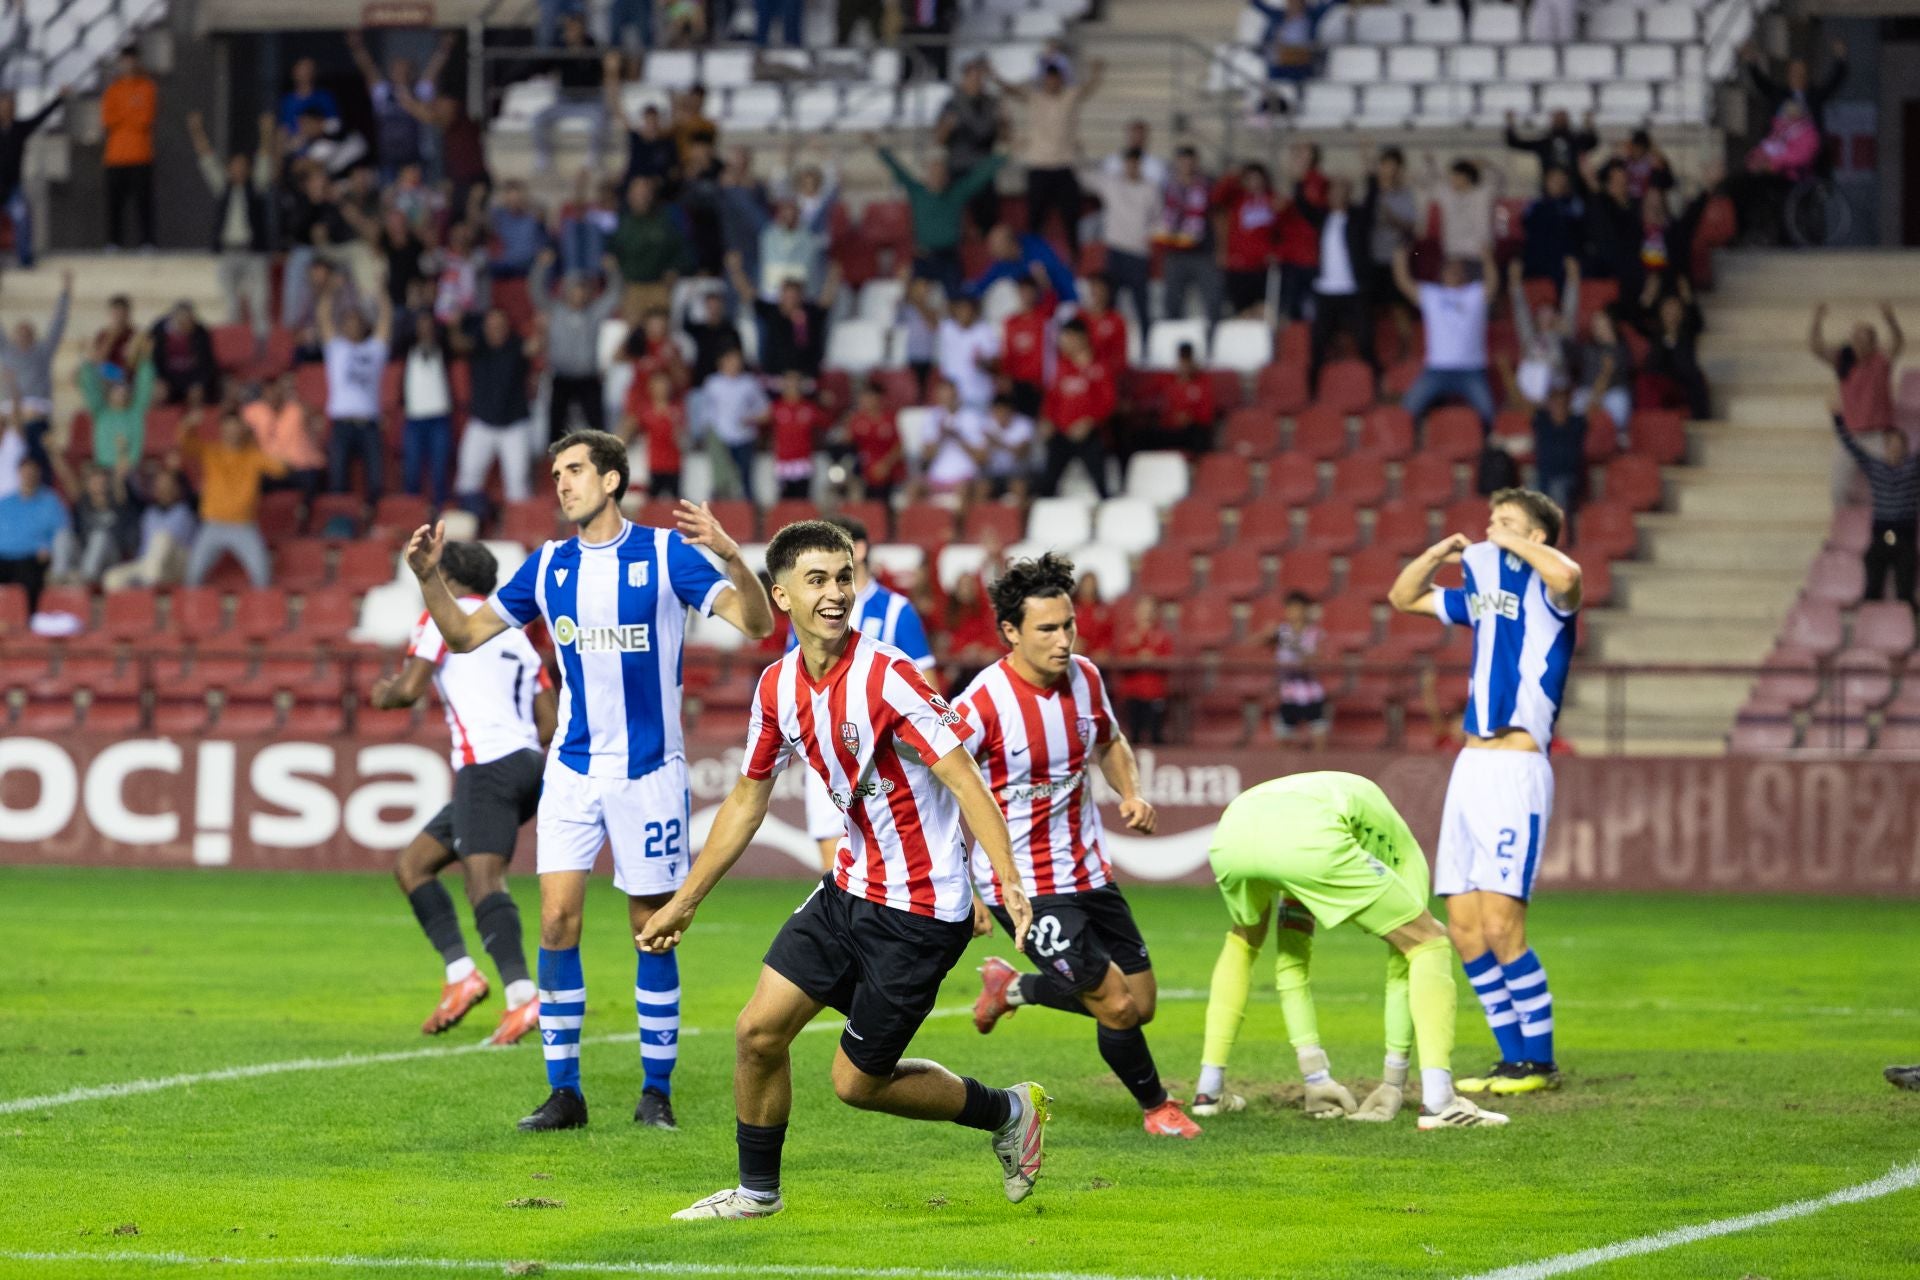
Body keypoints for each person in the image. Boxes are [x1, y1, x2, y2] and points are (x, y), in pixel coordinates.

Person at [635, 519, 1049, 1220]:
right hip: (847, 889)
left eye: (843, 577)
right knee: (757, 1033)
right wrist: (685, 901)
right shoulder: (776, 688)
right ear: (783, 595)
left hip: (920, 910)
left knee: (858, 1084)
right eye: (817, 580)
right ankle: (757, 1194)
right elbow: (745, 800)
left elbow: (963, 778)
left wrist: (1006, 882)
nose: (835, 593)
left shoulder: (888, 675)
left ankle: (1010, 1111)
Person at [404, 435, 774, 1133]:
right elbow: (462, 634)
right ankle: (564, 1093)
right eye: (555, 474)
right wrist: (429, 577)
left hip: (649, 773)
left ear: (612, 479)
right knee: (555, 922)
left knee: (652, 931)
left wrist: (728, 553)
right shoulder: (546, 566)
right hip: (572, 770)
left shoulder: (667, 555)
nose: (562, 484)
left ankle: (655, 1092)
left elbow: (757, 624)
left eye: (574, 471)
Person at [962, 554, 1194, 1138]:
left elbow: (1110, 742)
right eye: (1047, 629)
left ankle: (1012, 987)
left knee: (1141, 1004)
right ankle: (1157, 1107)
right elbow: (942, 793)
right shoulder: (981, 703)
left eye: (1067, 626)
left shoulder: (1087, 677)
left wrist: (1131, 793)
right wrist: (970, 888)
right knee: (1114, 1006)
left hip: (1089, 869)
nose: (1063, 640)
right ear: (1011, 632)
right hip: (1025, 885)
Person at [1388, 490, 1583, 1096]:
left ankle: (1541, 1061)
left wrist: (1512, 543)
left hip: (1517, 771)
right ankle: (1510, 1058)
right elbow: (1403, 597)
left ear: (1537, 536)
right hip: (1470, 766)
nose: (1492, 530)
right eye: (1492, 521)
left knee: (1503, 924)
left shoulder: (1554, 596)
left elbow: (1571, 574)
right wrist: (1439, 552)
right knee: (1465, 924)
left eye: (1508, 523)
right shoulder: (1482, 598)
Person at [1198, 770, 1510, 1129]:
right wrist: (1393, 1081)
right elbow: (1403, 969)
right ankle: (1440, 1102)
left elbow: (1292, 962)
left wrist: (1316, 1077)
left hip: (1232, 832)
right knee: (1429, 941)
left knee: (1244, 941)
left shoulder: (1319, 838)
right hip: (1308, 836)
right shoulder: (1405, 859)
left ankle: (1209, 1091)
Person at [373, 540, 556, 1047]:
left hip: (487, 766)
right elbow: (550, 722)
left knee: (483, 881)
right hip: (527, 766)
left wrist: (383, 693)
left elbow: (409, 689)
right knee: (413, 866)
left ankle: (522, 997)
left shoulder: (442, 617)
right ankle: (461, 975)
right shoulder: (515, 634)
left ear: (446, 579)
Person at [775, 514, 936, 871]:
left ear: (858, 549)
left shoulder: (895, 610)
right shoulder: (807, 610)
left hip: (884, 756)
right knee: (833, 866)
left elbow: (929, 682)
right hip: (828, 750)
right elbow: (797, 673)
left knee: (891, 861)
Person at [995, 60, 1104, 258]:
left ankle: (1075, 259)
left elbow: (1087, 90)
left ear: (1061, 80)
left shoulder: (1069, 96)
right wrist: (996, 77)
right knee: (1035, 218)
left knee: (1071, 216)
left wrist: (1096, 73)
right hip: (1039, 166)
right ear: (1044, 80)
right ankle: (1031, 259)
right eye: (1049, 79)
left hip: (1064, 166)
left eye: (1056, 79)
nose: (1052, 83)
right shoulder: (1035, 97)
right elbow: (1012, 91)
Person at [188, 110, 276, 349]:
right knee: (231, 304)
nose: (238, 170)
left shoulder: (255, 188)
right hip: (228, 252)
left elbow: (265, 159)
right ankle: (237, 345)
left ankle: (263, 346)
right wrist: (197, 131)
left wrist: (266, 133)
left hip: (253, 252)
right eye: (233, 166)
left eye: (242, 166)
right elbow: (207, 159)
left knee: (259, 303)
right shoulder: (223, 189)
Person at [876, 141, 1006, 301]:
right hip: (924, 257)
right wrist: (878, 146)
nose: (937, 177)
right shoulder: (918, 192)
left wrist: (1003, 155)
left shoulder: (956, 193)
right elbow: (898, 170)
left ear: (946, 176)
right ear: (927, 174)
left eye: (941, 173)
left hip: (949, 258)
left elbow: (979, 178)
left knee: (957, 300)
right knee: (910, 299)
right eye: (934, 172)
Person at [1395, 245, 1499, 434]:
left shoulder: (1474, 293)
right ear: (1442, 273)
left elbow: (1492, 285)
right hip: (1437, 369)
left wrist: (1487, 258)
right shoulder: (1432, 294)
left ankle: (1487, 453)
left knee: (1489, 415)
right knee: (1406, 410)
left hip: (1471, 370)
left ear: (1465, 273)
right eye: (1450, 268)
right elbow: (1404, 283)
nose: (1454, 271)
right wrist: (1400, 256)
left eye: (1458, 268)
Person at [1811, 303, 1904, 509]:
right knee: (1838, 488)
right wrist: (1816, 321)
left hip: (1877, 435)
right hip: (1851, 436)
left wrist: (1891, 320)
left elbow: (1897, 343)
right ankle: (1846, 527)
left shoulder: (1880, 361)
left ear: (1873, 342)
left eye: (1863, 339)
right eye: (1855, 338)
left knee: (1891, 483)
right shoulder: (1844, 361)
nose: (1858, 343)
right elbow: (1817, 348)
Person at [181, 408, 288, 587]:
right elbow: (185, 443)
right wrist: (189, 423)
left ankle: (261, 614)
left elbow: (280, 468)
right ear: (221, 430)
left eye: (235, 427)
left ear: (242, 429)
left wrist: (262, 439)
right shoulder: (210, 451)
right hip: (212, 525)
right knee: (192, 577)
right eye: (227, 427)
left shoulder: (254, 454)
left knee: (262, 577)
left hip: (243, 526)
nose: (231, 432)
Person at [455, 307, 542, 507]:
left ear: (507, 326)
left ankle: (519, 528)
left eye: (500, 325)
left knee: (518, 484)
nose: (496, 329)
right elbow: (457, 343)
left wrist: (541, 328)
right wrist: (454, 324)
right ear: (485, 327)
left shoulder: (517, 344)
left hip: (514, 424)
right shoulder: (478, 344)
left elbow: (535, 347)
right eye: (491, 325)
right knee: (468, 478)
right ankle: (469, 524)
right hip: (481, 423)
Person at [534, 248, 621, 441]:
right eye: (575, 289)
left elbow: (613, 295)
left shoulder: (594, 313)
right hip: (561, 377)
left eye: (583, 289)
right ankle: (555, 465)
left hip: (588, 378)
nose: (579, 294)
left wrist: (612, 271)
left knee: (598, 428)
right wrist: (541, 267)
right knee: (555, 427)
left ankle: (601, 463)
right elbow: (537, 292)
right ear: (566, 291)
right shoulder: (556, 310)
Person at [319, 277, 393, 502]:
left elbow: (386, 320)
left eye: (357, 321)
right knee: (338, 478)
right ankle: (342, 522)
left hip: (369, 423)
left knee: (375, 480)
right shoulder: (336, 349)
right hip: (341, 424)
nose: (353, 325)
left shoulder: (374, 349)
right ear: (343, 327)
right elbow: (323, 317)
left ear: (363, 325)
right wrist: (331, 292)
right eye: (348, 322)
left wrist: (380, 294)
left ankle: (373, 521)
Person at [1831, 414, 1918, 606]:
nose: (1894, 449)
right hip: (1880, 538)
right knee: (1872, 590)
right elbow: (1851, 446)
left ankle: (1909, 627)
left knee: (1905, 593)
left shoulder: (1913, 467)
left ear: (1904, 448)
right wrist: (1837, 418)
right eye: (1890, 445)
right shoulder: (1875, 466)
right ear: (1885, 447)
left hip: (1905, 538)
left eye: (1898, 445)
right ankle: (1870, 624)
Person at [347, 29, 452, 183]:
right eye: (397, 68)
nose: (401, 72)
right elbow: (368, 68)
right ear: (391, 72)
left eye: (405, 69)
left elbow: (433, 70)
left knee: (417, 198)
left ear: (411, 72)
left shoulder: (419, 92)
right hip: (389, 158)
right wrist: (357, 47)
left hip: (415, 158)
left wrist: (445, 47)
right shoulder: (383, 92)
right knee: (390, 197)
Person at [1305, 177, 1376, 388]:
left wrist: (1369, 172)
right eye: (1334, 191)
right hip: (1326, 290)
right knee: (1318, 341)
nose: (1338, 195)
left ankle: (1373, 382)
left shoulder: (1357, 218)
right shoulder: (1322, 218)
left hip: (1353, 289)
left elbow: (1372, 200)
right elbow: (1301, 203)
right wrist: (1299, 179)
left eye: (1343, 190)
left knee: (1364, 340)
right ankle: (1313, 388)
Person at [1039, 320, 1114, 499]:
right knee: (1047, 482)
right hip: (1062, 433)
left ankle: (1109, 513)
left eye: (1067, 338)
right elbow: (1052, 398)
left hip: (1089, 434)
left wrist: (1089, 421)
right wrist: (1047, 420)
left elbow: (1108, 402)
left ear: (1080, 338)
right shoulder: (1063, 366)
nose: (1062, 343)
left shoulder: (1099, 367)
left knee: (1100, 483)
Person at [1085, 147, 1158, 331]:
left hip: (1138, 253)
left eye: (1136, 163)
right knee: (1110, 302)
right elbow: (1084, 177)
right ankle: (1108, 336)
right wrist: (1077, 152)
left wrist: (1145, 238)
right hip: (1116, 250)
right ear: (1125, 164)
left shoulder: (1150, 189)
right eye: (1129, 163)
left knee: (1141, 304)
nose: (1132, 167)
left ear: (1140, 165)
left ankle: (1145, 346)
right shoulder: (1112, 184)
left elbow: (1157, 219)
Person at [934, 58, 1007, 237]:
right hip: (959, 167)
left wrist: (1004, 122)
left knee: (988, 220)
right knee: (956, 218)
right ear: (964, 79)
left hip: (983, 170)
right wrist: (947, 126)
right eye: (972, 78)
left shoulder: (992, 104)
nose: (976, 82)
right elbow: (939, 139)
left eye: (979, 78)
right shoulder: (951, 104)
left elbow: (1004, 137)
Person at [0, 87, 70, 268]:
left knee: (22, 218)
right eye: (3, 105)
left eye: (10, 105)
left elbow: (40, 117)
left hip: (12, 189)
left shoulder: (18, 129)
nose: (7, 109)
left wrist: (59, 99)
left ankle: (25, 260)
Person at [532, 14, 609, 174]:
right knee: (538, 119)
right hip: (565, 100)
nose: (571, 32)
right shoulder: (560, 47)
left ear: (582, 29)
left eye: (574, 28)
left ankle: (593, 157)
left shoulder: (594, 46)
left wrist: (580, 53)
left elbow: (601, 73)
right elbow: (542, 68)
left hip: (590, 99)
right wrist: (560, 51)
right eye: (568, 29)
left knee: (600, 118)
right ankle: (543, 158)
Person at [609, 176, 693, 317]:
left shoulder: (664, 221)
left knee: (660, 330)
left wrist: (674, 269)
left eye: (645, 193)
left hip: (659, 286)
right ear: (630, 196)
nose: (642, 198)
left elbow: (681, 249)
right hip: (632, 288)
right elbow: (611, 250)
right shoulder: (622, 222)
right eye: (638, 193)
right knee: (633, 334)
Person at [101, 466, 195, 590]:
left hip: (176, 566)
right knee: (112, 578)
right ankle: (138, 604)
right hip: (149, 565)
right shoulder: (150, 513)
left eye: (166, 484)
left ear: (177, 488)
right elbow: (130, 499)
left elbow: (169, 544)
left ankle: (147, 590)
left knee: (162, 539)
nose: (161, 488)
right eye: (159, 484)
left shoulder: (184, 511)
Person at [100, 47, 157, 250]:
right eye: (125, 60)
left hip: (140, 153)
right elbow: (108, 119)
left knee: (144, 202)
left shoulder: (147, 87)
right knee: (115, 204)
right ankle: (114, 242)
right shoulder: (113, 90)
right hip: (116, 155)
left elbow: (146, 119)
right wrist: (131, 113)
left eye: (132, 60)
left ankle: (147, 242)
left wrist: (124, 117)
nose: (129, 64)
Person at [398, 312, 456, 508]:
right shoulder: (407, 348)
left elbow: (454, 340)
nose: (425, 329)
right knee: (411, 471)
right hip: (414, 419)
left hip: (439, 418)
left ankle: (439, 512)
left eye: (428, 324)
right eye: (421, 325)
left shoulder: (443, 348)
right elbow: (396, 336)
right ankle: (412, 514)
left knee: (440, 471)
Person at [242, 374, 327, 506]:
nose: (273, 395)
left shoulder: (298, 409)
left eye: (276, 391)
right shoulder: (253, 411)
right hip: (269, 469)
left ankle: (303, 514)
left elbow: (318, 422)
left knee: (311, 479)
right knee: (250, 479)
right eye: (268, 391)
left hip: (298, 468)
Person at [1159, 147, 1222, 325]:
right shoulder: (1167, 186)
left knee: (1212, 299)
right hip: (1175, 252)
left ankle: (1211, 341)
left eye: (1190, 161)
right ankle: (1175, 343)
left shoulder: (1208, 185)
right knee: (1173, 303)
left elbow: (1218, 216)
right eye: (1183, 161)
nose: (1186, 165)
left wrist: (1219, 249)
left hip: (1202, 251)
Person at [76, 333, 155, 469]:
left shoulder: (136, 411)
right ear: (109, 394)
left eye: (125, 389)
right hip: (104, 472)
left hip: (130, 471)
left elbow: (145, 385)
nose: (122, 392)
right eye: (117, 389)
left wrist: (145, 359)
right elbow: (90, 387)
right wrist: (86, 359)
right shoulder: (100, 412)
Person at [702, 346, 770, 502]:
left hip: (744, 437)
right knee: (721, 478)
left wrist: (751, 419)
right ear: (722, 361)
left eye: (737, 360)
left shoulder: (749, 383)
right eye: (731, 360)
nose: (735, 363)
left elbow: (765, 411)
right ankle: (720, 514)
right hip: (721, 438)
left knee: (745, 478)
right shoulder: (713, 383)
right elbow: (707, 412)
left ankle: (747, 515)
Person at [1742, 38, 1848, 137]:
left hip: (1808, 147)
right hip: (1782, 148)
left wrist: (1840, 58)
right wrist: (1751, 61)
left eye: (1801, 72)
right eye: (1795, 72)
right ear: (1788, 74)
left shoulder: (1815, 95)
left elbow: (1834, 82)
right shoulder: (1779, 94)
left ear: (1807, 75)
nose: (1797, 75)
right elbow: (1760, 82)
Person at [1216, 162, 1281, 320]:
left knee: (1264, 308)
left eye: (1258, 179)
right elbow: (1217, 197)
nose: (1254, 183)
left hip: (1263, 266)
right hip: (1239, 265)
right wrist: (1233, 177)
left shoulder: (1272, 200)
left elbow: (1283, 229)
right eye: (1250, 179)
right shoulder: (1238, 199)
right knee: (1241, 309)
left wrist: (1277, 252)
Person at [0, 455, 65, 611]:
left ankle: (29, 622)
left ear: (39, 473)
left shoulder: (50, 502)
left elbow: (62, 532)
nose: (28, 475)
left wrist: (48, 547)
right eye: (25, 471)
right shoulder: (5, 503)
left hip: (32, 558)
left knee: (29, 579)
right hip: (3, 557)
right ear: (19, 473)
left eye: (32, 471)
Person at [1269, 591, 1329, 749]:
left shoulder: (1315, 633)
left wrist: (1305, 657)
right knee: (1284, 738)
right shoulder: (1280, 632)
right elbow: (1250, 645)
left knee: (1319, 736)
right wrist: (1266, 633)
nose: (1294, 613)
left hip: (1312, 693)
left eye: (1298, 609)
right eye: (1291, 609)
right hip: (1288, 693)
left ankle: (1321, 768)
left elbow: (1321, 657)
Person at [621, 368, 686, 499]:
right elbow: (630, 428)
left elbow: (682, 438)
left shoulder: (677, 409)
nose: (661, 388)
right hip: (655, 463)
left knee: (676, 501)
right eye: (657, 384)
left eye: (664, 384)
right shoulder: (645, 409)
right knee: (652, 502)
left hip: (674, 463)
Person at [1504, 109, 1599, 194]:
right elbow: (1515, 143)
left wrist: (1589, 125)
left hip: (1575, 188)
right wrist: (1510, 124)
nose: (1559, 120)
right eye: (1557, 118)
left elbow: (1592, 142)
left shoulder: (1576, 140)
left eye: (1562, 118)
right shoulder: (1544, 142)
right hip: (1549, 191)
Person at [768, 367, 827, 500]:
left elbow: (826, 423)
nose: (792, 386)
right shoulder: (776, 407)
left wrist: (826, 403)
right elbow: (761, 422)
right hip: (783, 462)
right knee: (784, 501)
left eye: (795, 382)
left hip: (803, 461)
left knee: (802, 501)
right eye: (789, 382)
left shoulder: (809, 408)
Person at [147, 302, 221, 407]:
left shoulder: (201, 333)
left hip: (192, 378)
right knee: (157, 392)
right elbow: (154, 360)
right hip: (167, 378)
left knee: (197, 393)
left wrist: (199, 382)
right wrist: (158, 378)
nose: (187, 326)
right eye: (183, 322)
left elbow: (207, 363)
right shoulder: (158, 332)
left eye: (189, 322)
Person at [937, 293, 1000, 413]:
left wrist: (982, 363)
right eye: (960, 308)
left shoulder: (985, 331)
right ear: (955, 310)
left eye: (967, 308)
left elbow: (996, 366)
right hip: (953, 398)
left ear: (974, 310)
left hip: (978, 396)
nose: (964, 312)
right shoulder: (947, 329)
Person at [844, 380, 904, 507]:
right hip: (864, 473)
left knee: (886, 506)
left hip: (888, 472)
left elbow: (898, 446)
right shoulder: (857, 419)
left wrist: (885, 465)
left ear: (879, 398)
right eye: (864, 397)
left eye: (870, 397)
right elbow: (848, 444)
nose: (866, 401)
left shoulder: (889, 418)